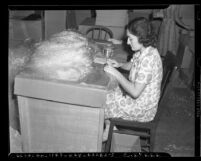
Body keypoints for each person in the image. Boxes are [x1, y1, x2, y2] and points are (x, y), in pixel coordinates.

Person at [103, 17, 163, 141]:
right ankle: (110, 130)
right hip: (138, 100)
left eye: (131, 39)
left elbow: (135, 92)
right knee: (105, 92)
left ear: (141, 37)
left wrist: (116, 73)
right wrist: (119, 65)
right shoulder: (143, 50)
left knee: (102, 101)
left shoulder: (149, 59)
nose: (128, 42)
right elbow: (132, 65)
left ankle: (107, 131)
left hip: (143, 109)